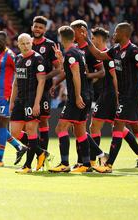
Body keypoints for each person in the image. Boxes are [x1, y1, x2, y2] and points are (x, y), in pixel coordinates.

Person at [83, 22, 138, 173]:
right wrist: (87, 39)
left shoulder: (134, 51)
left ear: (124, 34)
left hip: (131, 95)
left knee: (118, 126)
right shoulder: (116, 50)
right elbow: (99, 55)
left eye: (116, 33)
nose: (113, 35)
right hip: (124, 95)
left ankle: (108, 165)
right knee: (137, 127)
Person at [48, 26, 103, 173]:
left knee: (60, 128)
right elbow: (73, 71)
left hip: (76, 97)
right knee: (80, 131)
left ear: (61, 38)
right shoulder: (78, 52)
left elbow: (77, 75)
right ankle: (86, 164)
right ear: (73, 38)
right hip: (86, 95)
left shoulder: (72, 53)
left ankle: (64, 163)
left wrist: (77, 95)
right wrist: (61, 60)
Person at [69, 20, 108, 168]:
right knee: (77, 129)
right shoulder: (76, 49)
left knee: (78, 128)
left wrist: (86, 76)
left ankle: (86, 160)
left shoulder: (90, 50)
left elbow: (101, 72)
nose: (72, 33)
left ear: (81, 31)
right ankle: (87, 159)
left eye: (74, 30)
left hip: (85, 93)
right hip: (76, 92)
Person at [10, 33, 50, 173]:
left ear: (32, 43)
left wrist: (37, 103)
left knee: (31, 130)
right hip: (20, 100)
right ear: (18, 45)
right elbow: (15, 83)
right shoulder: (18, 58)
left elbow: (42, 82)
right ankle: (40, 152)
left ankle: (27, 166)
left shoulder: (38, 59)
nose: (25, 46)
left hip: (32, 100)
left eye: (28, 43)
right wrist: (11, 101)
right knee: (14, 132)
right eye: (23, 43)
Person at [0, 31, 28, 167]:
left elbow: (20, 73)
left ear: (5, 42)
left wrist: (17, 93)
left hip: (5, 96)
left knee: (2, 126)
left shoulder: (11, 56)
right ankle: (19, 147)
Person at [31, 16, 61, 151]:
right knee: (28, 123)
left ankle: (43, 154)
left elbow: (59, 69)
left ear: (45, 29)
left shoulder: (50, 45)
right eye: (36, 26)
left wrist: (44, 78)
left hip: (44, 89)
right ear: (32, 27)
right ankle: (33, 151)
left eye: (41, 27)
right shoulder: (26, 43)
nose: (37, 29)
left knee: (43, 120)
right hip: (28, 90)